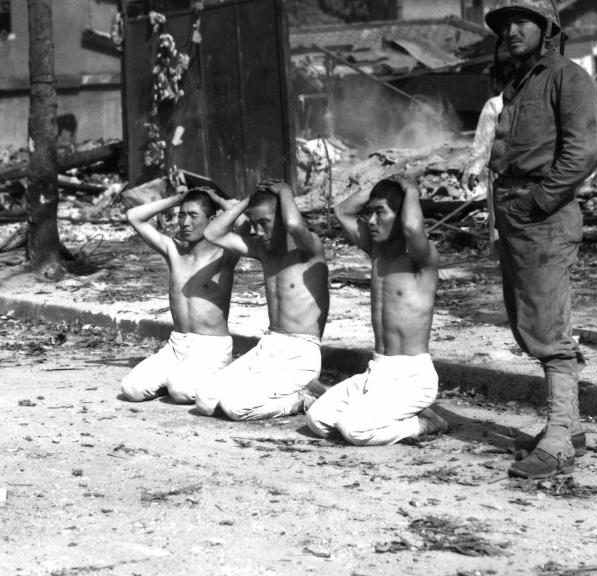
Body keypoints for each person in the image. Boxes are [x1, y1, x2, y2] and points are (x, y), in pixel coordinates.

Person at [484, 0, 597, 479]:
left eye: (522, 21)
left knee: (548, 330)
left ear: (547, 28)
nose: (511, 30)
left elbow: (584, 152)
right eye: (505, 23)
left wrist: (539, 199)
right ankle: (568, 425)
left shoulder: (567, 79)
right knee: (528, 323)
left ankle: (558, 444)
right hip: (514, 214)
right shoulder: (516, 84)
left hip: (544, 217)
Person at [306, 176, 448, 444]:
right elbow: (343, 211)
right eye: (370, 213)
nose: (370, 221)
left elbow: (412, 227)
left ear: (401, 216)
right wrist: (382, 184)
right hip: (377, 371)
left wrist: (408, 190)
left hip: (412, 377)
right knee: (317, 420)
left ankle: (424, 423)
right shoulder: (377, 253)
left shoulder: (422, 259)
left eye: (380, 212)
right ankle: (388, 415)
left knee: (353, 429)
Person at [196, 179, 329, 420]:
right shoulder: (264, 250)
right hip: (268, 347)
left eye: (264, 223)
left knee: (235, 406)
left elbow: (293, 223)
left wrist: (286, 192)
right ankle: (283, 393)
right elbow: (212, 233)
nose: (257, 231)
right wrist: (250, 198)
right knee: (205, 399)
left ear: (281, 219)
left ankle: (303, 397)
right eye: (254, 223)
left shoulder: (309, 250)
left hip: (299, 352)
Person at [120, 188, 238, 403]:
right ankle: (181, 377)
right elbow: (134, 216)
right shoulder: (173, 250)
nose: (185, 223)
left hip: (210, 347)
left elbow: (246, 222)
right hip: (176, 346)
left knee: (181, 391)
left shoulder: (224, 253)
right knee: (131, 388)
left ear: (212, 220)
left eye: (193, 216)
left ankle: (212, 375)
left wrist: (219, 200)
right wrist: (178, 199)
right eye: (182, 215)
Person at [461, 60, 515, 249]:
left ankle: (501, 253)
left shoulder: (494, 104)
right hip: (526, 168)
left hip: (500, 169)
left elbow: (484, 141)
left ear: (497, 82)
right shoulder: (528, 100)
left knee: (498, 217)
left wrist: (472, 171)